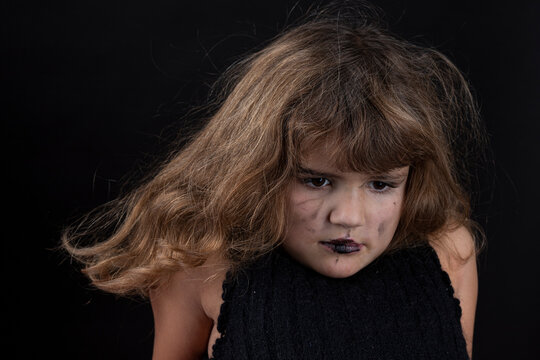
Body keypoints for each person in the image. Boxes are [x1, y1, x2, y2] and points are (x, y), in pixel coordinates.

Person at [63, 3, 487, 359]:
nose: (348, 217)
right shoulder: (200, 262)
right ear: (260, 171)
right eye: (317, 181)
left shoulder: (449, 250)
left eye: (381, 185)